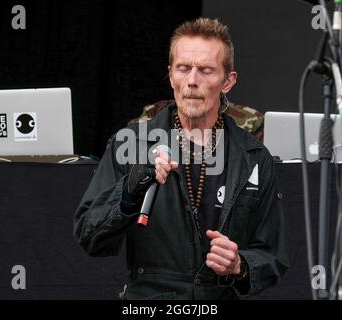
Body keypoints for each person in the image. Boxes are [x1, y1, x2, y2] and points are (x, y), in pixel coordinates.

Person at [74, 18, 288, 300]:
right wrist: (128, 189)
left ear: (228, 81)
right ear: (171, 74)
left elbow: (272, 255)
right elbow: (90, 236)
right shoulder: (131, 143)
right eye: (183, 68)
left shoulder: (254, 157)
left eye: (206, 70)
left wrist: (240, 265)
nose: (192, 81)